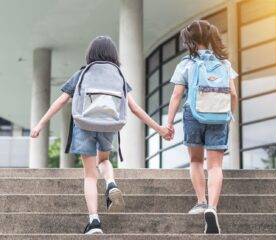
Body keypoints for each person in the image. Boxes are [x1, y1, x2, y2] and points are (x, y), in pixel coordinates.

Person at [30, 36, 172, 235]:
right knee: (104, 161)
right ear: (113, 55)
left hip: (84, 124)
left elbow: (61, 101)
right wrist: (159, 129)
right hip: (109, 125)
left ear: (91, 54)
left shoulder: (82, 73)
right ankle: (111, 183)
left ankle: (94, 222)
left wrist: (40, 124)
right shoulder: (118, 76)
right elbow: (134, 108)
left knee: (89, 174)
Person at [166, 20, 238, 234]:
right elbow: (233, 94)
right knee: (215, 166)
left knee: (196, 160)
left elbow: (177, 95)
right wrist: (228, 115)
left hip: (193, 115)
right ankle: (212, 208)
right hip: (219, 116)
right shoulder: (224, 63)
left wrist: (168, 123)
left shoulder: (187, 63)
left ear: (190, 41)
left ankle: (200, 202)